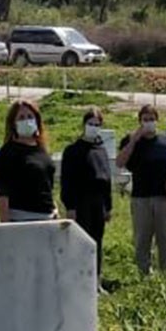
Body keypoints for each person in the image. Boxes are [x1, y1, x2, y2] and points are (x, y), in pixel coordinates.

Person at [118, 104, 166, 275]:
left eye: (152, 119)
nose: (149, 123)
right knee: (142, 238)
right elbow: (120, 163)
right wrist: (134, 140)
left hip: (164, 198)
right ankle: (144, 272)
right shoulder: (131, 141)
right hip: (140, 198)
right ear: (140, 121)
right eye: (145, 120)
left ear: (157, 120)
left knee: (164, 238)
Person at [61, 106, 115, 286]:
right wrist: (70, 207)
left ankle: (96, 281)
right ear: (84, 125)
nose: (94, 127)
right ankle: (79, 280)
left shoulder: (101, 150)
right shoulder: (73, 150)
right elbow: (67, 181)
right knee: (80, 242)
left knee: (96, 242)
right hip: (80, 202)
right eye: (90, 123)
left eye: (97, 124)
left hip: (99, 203)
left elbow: (106, 179)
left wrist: (108, 206)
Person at [0, 100, 58, 222]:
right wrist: (5, 224)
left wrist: (55, 210)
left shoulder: (41, 149)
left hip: (48, 217)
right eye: (21, 117)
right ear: (13, 124)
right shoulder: (8, 152)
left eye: (30, 116)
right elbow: (2, 193)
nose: (27, 120)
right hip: (22, 218)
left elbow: (47, 186)